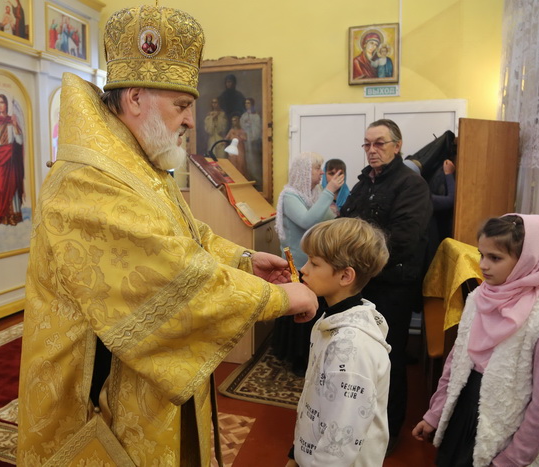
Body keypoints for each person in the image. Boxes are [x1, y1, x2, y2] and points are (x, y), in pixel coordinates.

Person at [16, 5, 319, 466]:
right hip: (99, 393)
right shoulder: (89, 178)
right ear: (136, 98)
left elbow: (183, 232)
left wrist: (242, 261)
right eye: (181, 106)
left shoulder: (136, 160)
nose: (191, 120)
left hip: (140, 377)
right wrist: (277, 299)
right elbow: (168, 272)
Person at [412, 214, 539, 466]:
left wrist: (512, 459)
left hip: (506, 438)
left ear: (527, 261)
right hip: (463, 415)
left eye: (495, 258)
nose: (483, 265)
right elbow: (455, 363)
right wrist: (435, 414)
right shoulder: (477, 299)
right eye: (481, 255)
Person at [340, 119, 432, 451]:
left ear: (397, 145)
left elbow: (403, 240)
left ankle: (388, 433)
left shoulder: (411, 184)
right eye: (367, 144)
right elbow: (346, 223)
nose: (372, 150)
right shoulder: (364, 182)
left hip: (392, 285)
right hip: (360, 282)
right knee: (357, 357)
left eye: (379, 143)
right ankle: (354, 421)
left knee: (387, 359)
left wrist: (356, 261)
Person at [285, 217, 391, 466]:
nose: (303, 269)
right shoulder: (331, 319)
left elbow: (341, 439)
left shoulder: (352, 349)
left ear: (345, 276)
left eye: (314, 263)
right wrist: (296, 452)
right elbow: (318, 399)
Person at [271, 151, 344, 375]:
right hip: (296, 265)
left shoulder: (314, 193)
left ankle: (309, 352)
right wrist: (329, 191)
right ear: (304, 171)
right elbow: (306, 221)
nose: (321, 173)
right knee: (298, 310)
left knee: (311, 308)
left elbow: (328, 219)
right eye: (317, 168)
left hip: (312, 264)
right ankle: (296, 357)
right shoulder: (290, 196)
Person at [0, 94, 24, 226]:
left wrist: (15, 125)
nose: (0, 105)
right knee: (0, 188)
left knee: (12, 188)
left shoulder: (12, 121)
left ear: (6, 104)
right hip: (0, 161)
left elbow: (19, 141)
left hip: (11, 161)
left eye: (2, 102)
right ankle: (1, 215)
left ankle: (13, 216)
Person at [241, 97, 263, 189]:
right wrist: (246, 125)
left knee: (254, 162)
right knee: (247, 162)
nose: (247, 105)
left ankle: (257, 181)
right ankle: (249, 179)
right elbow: (242, 126)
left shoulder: (256, 116)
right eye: (246, 103)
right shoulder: (244, 116)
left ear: (252, 104)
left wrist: (251, 125)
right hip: (246, 142)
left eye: (248, 103)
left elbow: (258, 129)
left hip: (253, 142)